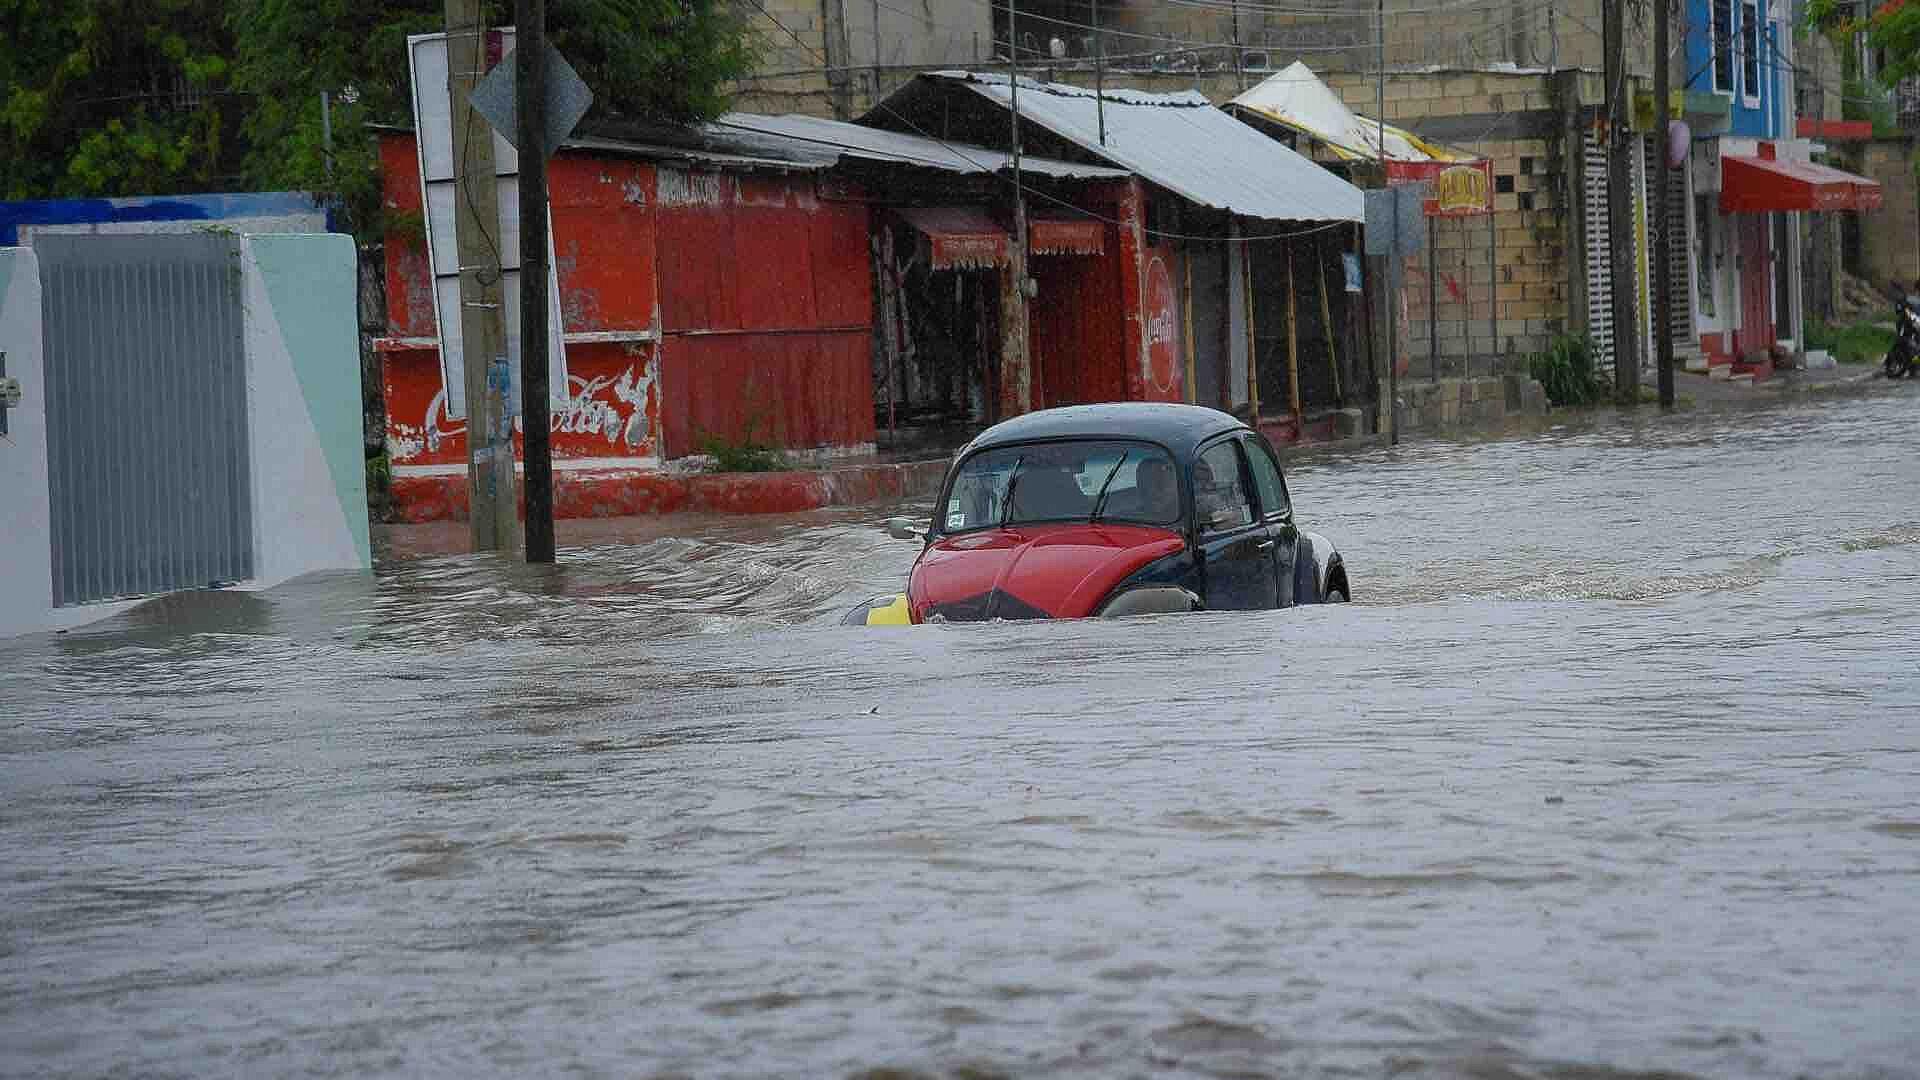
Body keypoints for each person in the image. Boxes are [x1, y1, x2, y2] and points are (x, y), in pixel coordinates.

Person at [1135, 455, 1179, 521]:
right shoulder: (1127, 517)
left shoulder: (1187, 510)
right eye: (1148, 484)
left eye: (1161, 484)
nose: (1154, 492)